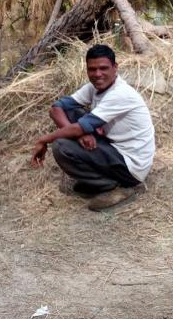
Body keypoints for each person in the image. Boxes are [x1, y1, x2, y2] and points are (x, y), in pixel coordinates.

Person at [30, 44, 155, 211]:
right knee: (72, 111)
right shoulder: (94, 88)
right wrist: (80, 134)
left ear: (115, 68)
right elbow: (56, 108)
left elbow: (76, 126)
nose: (97, 74)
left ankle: (115, 186)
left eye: (103, 68)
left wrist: (43, 140)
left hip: (131, 165)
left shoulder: (121, 93)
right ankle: (101, 181)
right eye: (92, 69)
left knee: (61, 146)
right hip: (114, 149)